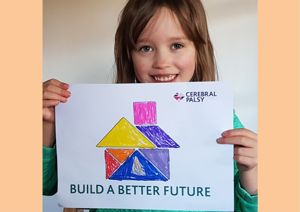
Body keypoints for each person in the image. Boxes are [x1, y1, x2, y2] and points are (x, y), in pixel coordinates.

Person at [43, 0, 258, 211]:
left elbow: (242, 205)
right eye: (145, 48)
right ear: (129, 55)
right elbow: (47, 184)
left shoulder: (220, 121)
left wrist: (253, 170)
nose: (161, 62)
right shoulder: (100, 115)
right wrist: (47, 123)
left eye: (177, 45)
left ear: (198, 51)